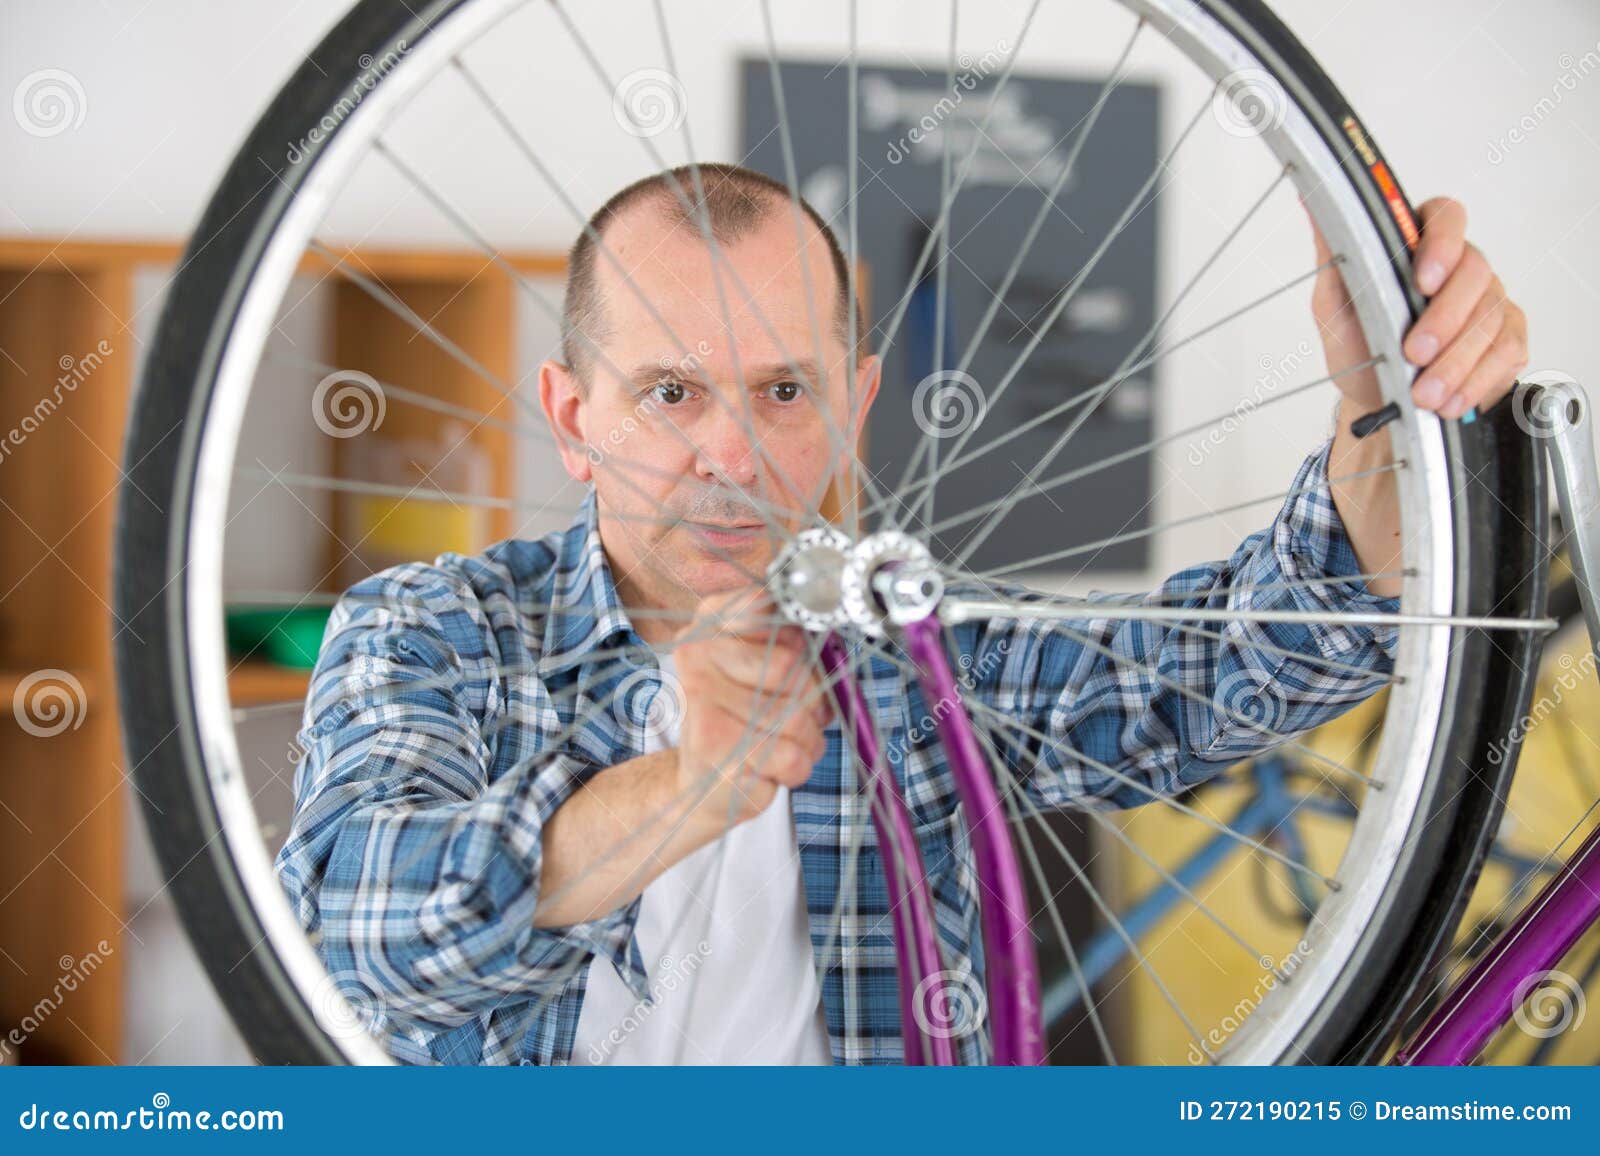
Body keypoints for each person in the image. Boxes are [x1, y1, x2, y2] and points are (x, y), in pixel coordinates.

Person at [273, 162, 1528, 1065]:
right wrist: (683, 787)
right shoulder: (429, 628)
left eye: (780, 389)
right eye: (668, 393)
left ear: (858, 397)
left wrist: (1387, 409)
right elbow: (357, 932)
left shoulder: (901, 637)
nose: (731, 454)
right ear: (570, 416)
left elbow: (1226, 665)